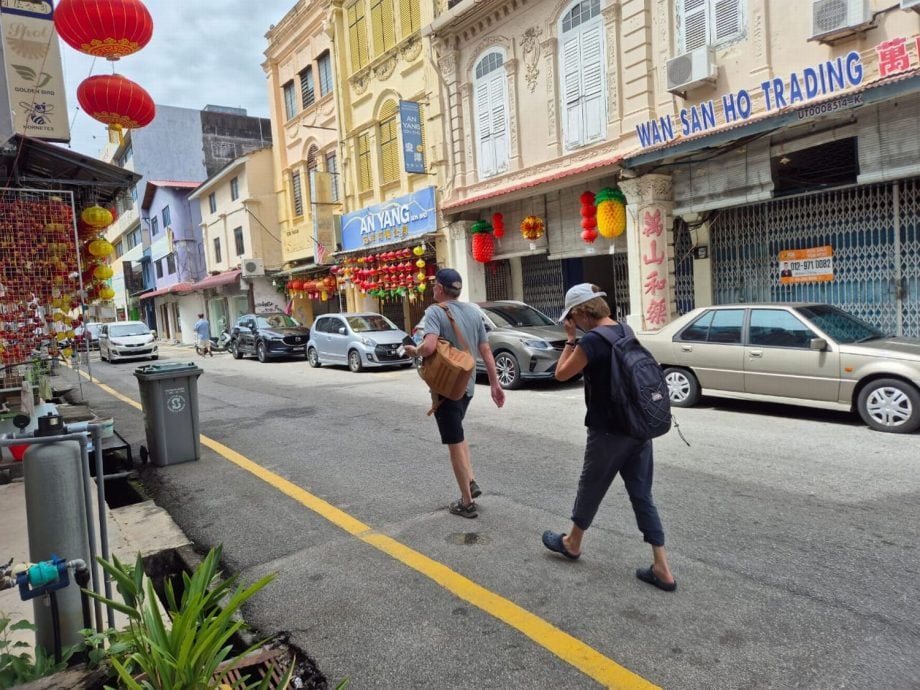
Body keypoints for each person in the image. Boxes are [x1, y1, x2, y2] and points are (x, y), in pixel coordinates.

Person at [541, 283, 676, 592]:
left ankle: (572, 543)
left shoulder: (592, 341)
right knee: (642, 495)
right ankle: (662, 567)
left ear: (578, 313)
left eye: (571, 318)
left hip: (608, 431)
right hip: (639, 426)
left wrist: (571, 339)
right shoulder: (625, 330)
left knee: (590, 487)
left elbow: (561, 374)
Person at [404, 268, 505, 518]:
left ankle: (466, 502)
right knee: (458, 434)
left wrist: (412, 351)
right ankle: (471, 480)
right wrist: (495, 383)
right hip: (467, 385)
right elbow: (486, 350)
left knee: (454, 441)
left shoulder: (434, 312)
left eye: (434, 286)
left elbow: (428, 347)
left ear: (439, 288)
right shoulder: (473, 311)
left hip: (447, 387)